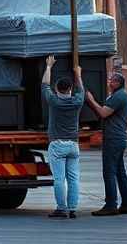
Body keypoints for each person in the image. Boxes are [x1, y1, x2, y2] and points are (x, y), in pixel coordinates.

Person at [86, 72, 127, 216]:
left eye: (111, 81)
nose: (108, 83)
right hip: (118, 138)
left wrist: (90, 100)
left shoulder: (119, 96)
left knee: (109, 172)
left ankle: (111, 205)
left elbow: (103, 113)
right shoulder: (118, 95)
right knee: (120, 172)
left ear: (118, 83)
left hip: (114, 139)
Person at [42, 55, 85, 219]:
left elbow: (45, 84)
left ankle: (61, 208)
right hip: (73, 145)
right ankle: (73, 208)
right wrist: (78, 74)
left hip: (57, 145)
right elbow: (81, 90)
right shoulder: (77, 102)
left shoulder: (54, 101)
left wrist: (48, 67)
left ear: (57, 89)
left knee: (59, 179)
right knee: (73, 178)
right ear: (70, 90)